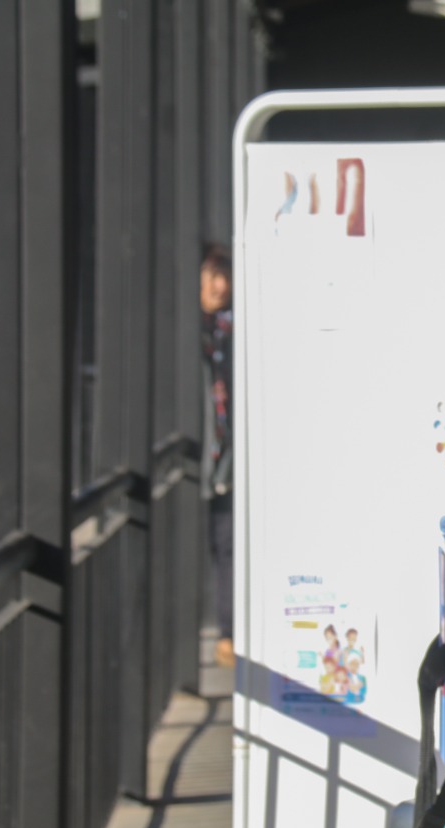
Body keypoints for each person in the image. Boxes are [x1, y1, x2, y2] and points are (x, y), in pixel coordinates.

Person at [201, 244, 235, 669]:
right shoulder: (199, 335)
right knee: (220, 544)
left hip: (224, 459)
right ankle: (227, 630)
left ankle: (228, 631)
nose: (219, 286)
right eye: (211, 276)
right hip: (209, 456)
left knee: (225, 544)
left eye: (223, 278)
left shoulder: (228, 333)